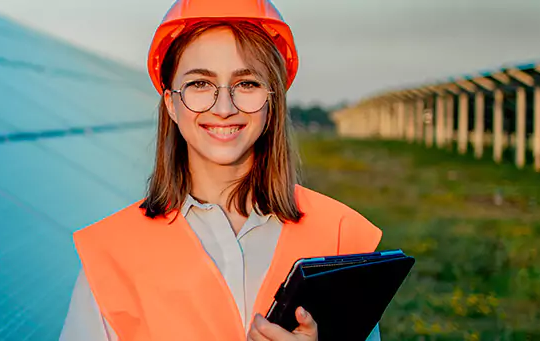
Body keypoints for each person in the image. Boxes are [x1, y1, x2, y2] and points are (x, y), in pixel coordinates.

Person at [60, 1, 383, 340]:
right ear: (171, 103)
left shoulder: (341, 239)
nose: (224, 108)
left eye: (247, 84)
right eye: (200, 84)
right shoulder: (113, 254)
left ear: (272, 100)